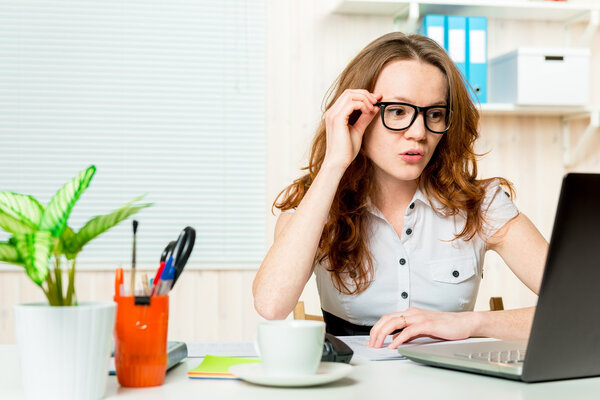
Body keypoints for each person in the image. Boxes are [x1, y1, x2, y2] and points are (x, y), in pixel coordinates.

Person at [252, 32, 548, 349]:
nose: (418, 133)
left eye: (434, 114)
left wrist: (469, 323)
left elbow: (587, 303)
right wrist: (335, 163)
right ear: (355, 116)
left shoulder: (481, 204)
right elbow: (271, 306)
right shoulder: (315, 202)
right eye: (397, 112)